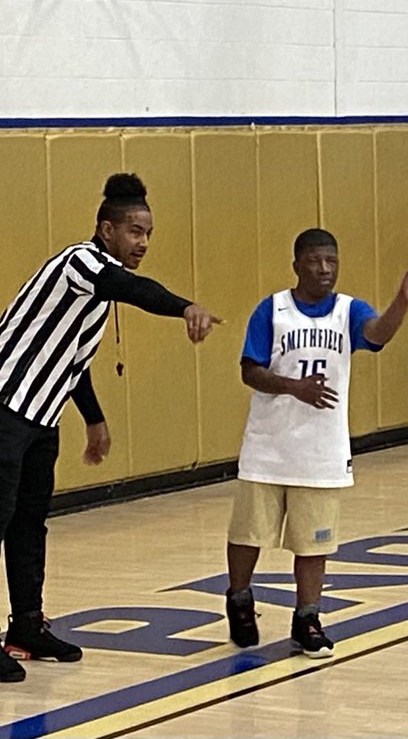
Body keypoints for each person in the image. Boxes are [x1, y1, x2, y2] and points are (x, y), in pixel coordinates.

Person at [0, 173, 219, 683]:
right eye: (135, 231)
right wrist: (184, 306)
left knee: (29, 525)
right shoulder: (81, 262)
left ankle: (27, 625)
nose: (143, 242)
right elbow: (132, 287)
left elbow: (74, 363)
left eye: (149, 233)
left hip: (39, 418)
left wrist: (95, 420)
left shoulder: (96, 295)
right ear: (107, 229)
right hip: (5, 408)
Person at [224, 229, 408, 658]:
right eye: (316, 261)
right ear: (296, 264)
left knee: (313, 543)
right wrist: (292, 386)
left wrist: (404, 299)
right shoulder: (273, 309)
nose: (324, 269)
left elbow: (377, 335)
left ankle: (307, 618)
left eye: (331, 262)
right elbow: (250, 370)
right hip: (268, 446)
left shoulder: (348, 310)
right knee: (248, 535)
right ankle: (240, 599)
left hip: (322, 450)